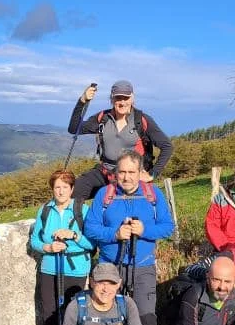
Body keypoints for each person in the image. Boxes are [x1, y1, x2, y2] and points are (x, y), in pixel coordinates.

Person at [84, 151, 175, 325]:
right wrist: (114, 234)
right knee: (107, 317)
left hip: (143, 267)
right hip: (109, 268)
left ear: (140, 172)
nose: (126, 177)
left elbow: (167, 227)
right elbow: (90, 228)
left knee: (145, 318)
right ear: (115, 173)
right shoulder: (105, 195)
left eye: (131, 172)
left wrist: (144, 230)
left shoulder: (153, 194)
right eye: (122, 172)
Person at [67, 80, 174, 221]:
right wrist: (82, 101)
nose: (122, 102)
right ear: (112, 99)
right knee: (70, 192)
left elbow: (167, 146)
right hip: (105, 171)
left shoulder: (141, 120)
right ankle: (80, 228)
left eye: (126, 98)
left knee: (121, 215)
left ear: (132, 98)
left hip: (130, 175)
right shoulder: (103, 118)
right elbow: (74, 128)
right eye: (118, 98)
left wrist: (152, 174)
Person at [29, 170, 94, 325]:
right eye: (57, 187)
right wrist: (48, 247)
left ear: (72, 189)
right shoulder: (45, 210)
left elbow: (92, 243)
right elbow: (34, 240)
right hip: (50, 269)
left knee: (72, 314)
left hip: (76, 269)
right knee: (49, 313)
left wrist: (74, 236)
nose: (61, 191)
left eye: (65, 187)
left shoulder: (82, 210)